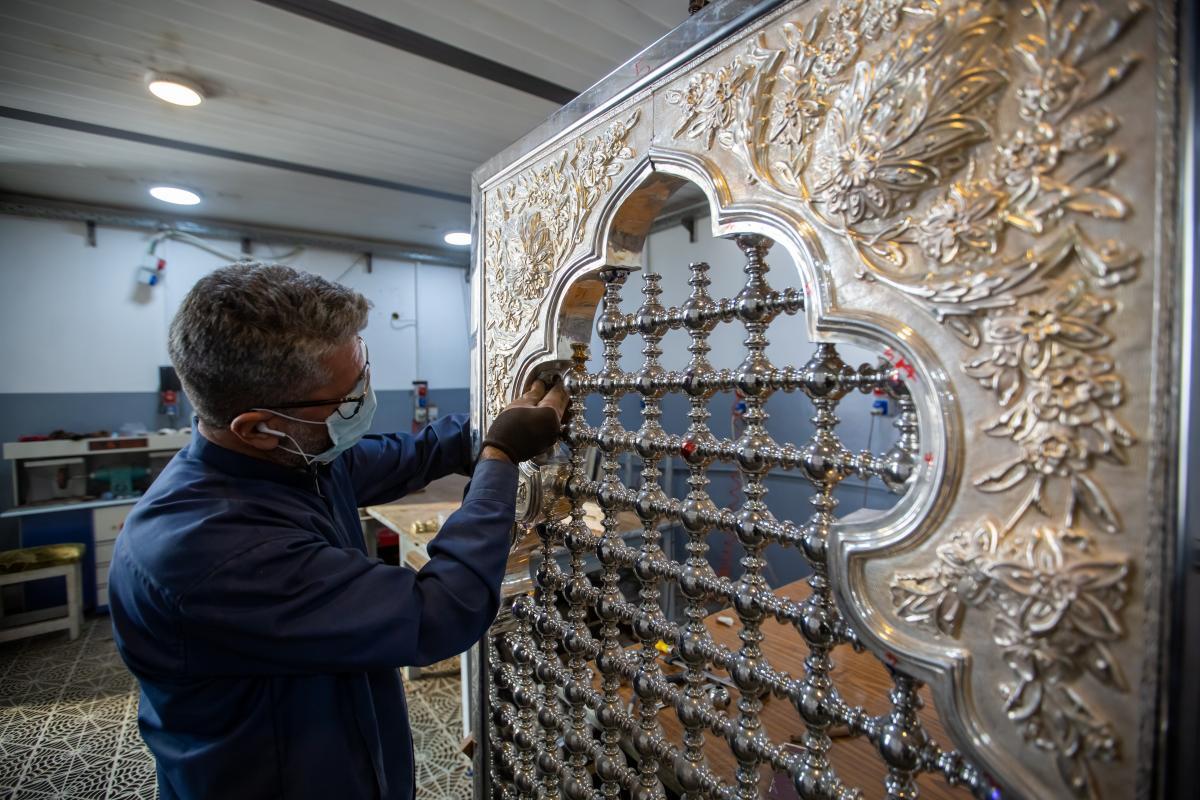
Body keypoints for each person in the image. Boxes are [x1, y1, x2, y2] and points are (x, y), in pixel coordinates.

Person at [109, 263, 566, 800]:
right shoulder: (209, 551)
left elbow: (410, 455)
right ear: (256, 427)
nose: (364, 401)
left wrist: (493, 426)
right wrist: (499, 458)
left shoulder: (294, 459)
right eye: (347, 401)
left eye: (363, 373)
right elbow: (438, 612)